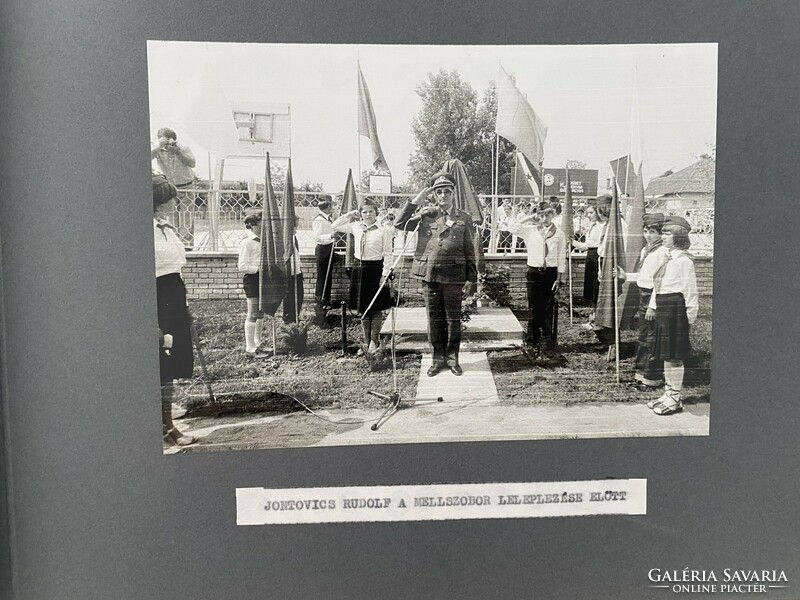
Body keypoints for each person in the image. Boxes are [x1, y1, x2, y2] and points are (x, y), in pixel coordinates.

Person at [395, 172, 478, 376]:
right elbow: (400, 223)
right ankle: (437, 359)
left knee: (453, 320)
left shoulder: (464, 218)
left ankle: (452, 359)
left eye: (447, 191)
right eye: (439, 192)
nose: (443, 195)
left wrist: (471, 278)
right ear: (434, 194)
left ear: (453, 193)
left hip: (454, 275)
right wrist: (416, 201)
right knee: (434, 319)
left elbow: (470, 249)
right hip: (430, 274)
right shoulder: (426, 214)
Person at [153, 174, 196, 447]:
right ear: (157, 201)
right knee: (160, 366)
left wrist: (185, 307)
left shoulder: (166, 227)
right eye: (170, 199)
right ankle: (166, 429)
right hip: (157, 301)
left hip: (173, 299)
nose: (174, 203)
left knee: (170, 366)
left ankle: (166, 424)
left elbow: (176, 267)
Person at [645, 216, 698, 415]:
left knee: (675, 357)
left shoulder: (684, 261)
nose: (663, 236)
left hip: (676, 308)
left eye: (667, 233)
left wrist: (689, 319)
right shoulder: (666, 257)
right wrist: (654, 306)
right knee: (667, 356)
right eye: (664, 233)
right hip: (664, 306)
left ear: (678, 236)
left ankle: (675, 398)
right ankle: (668, 394)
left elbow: (690, 292)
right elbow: (657, 286)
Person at [615, 213, 669, 390]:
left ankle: (652, 378)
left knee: (652, 338)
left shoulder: (663, 252)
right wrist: (626, 276)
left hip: (655, 297)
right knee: (643, 336)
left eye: (653, 232)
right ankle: (640, 374)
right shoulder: (646, 250)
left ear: (661, 233)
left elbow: (660, 281)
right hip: (643, 294)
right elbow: (644, 276)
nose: (648, 235)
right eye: (646, 231)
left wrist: (653, 306)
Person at [331, 199, 394, 354]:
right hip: (359, 269)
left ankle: (374, 341)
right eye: (364, 212)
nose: (367, 215)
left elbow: (388, 253)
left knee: (376, 307)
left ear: (376, 213)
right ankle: (367, 343)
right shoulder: (355, 227)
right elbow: (335, 226)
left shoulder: (383, 229)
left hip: (376, 269)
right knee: (363, 306)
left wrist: (385, 274)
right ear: (360, 213)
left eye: (371, 211)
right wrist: (350, 214)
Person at [508, 202, 566, 354]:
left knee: (548, 307)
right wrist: (529, 218)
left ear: (553, 215)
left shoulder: (559, 234)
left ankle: (548, 341)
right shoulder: (530, 231)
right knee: (533, 306)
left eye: (547, 214)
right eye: (541, 215)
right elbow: (512, 227)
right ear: (537, 216)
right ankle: (532, 339)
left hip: (550, 273)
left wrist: (559, 278)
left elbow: (561, 257)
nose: (544, 218)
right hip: (534, 272)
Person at [237, 213, 265, 355]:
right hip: (252, 279)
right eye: (261, 223)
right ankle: (250, 347)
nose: (264, 226)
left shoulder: (262, 241)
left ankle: (258, 343)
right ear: (253, 225)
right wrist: (259, 269)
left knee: (261, 313)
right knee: (253, 312)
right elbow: (242, 266)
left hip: (263, 279)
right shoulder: (247, 242)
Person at [572, 202, 604, 303]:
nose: (588, 215)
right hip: (590, 255)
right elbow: (588, 245)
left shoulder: (602, 226)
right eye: (587, 213)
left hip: (597, 256)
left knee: (597, 285)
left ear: (598, 212)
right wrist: (574, 243)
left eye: (591, 212)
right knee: (590, 286)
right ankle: (594, 310)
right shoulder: (592, 226)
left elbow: (599, 245)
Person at [311, 197, 336, 311]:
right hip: (322, 249)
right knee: (322, 277)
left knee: (328, 276)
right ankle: (319, 301)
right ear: (325, 208)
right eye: (330, 207)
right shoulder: (319, 220)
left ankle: (326, 299)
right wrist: (330, 236)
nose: (332, 209)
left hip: (329, 248)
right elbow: (317, 237)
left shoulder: (328, 218)